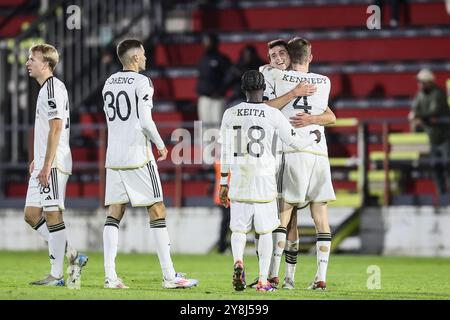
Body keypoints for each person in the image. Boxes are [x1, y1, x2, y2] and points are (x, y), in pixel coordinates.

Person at [101, 39, 199, 289]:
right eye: (143, 54)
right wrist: (160, 144)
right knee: (157, 210)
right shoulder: (142, 82)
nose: (145, 58)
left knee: (114, 213)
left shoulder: (109, 82)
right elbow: (145, 120)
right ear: (134, 58)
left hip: (114, 157)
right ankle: (169, 276)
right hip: (137, 156)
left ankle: (111, 277)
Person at [218, 70, 321, 292]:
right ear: (263, 89)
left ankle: (238, 261)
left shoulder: (230, 113)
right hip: (264, 177)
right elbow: (294, 142)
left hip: (239, 177)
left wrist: (223, 182)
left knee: (238, 230)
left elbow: (224, 151)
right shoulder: (272, 114)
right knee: (265, 232)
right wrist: (313, 137)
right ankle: (263, 280)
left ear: (243, 89)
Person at [249, 39, 336, 290]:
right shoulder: (321, 82)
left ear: (290, 55)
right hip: (316, 153)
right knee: (304, 217)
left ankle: (275, 276)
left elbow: (329, 116)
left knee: (283, 215)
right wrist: (297, 96)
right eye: (272, 54)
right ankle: (295, 278)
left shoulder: (275, 77)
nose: (276, 58)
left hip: (291, 152)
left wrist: (310, 117)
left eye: (281, 53)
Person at [24, 43, 88, 287]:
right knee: (31, 215)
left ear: (46, 64)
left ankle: (58, 275)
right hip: (43, 161)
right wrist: (38, 158)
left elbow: (56, 127)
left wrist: (47, 164)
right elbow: (46, 130)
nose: (28, 63)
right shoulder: (45, 89)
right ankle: (73, 255)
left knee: (52, 214)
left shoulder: (52, 87)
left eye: (32, 59)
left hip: (53, 162)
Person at [409, 69, 450, 196]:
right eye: (419, 82)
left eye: (422, 82)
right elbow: (415, 109)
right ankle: (442, 194)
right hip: (433, 137)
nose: (419, 84)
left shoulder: (438, 93)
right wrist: (418, 116)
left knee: (448, 165)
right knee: (435, 165)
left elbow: (434, 111)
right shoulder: (420, 95)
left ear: (429, 82)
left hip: (446, 136)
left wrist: (418, 116)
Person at [195, 33, 231, 129]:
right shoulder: (202, 59)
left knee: (218, 127)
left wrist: (221, 91)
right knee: (205, 127)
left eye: (209, 42)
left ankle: (219, 145)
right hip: (205, 98)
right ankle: (206, 145)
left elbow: (229, 77)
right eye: (205, 42)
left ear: (215, 43)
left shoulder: (222, 59)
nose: (206, 44)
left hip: (218, 99)